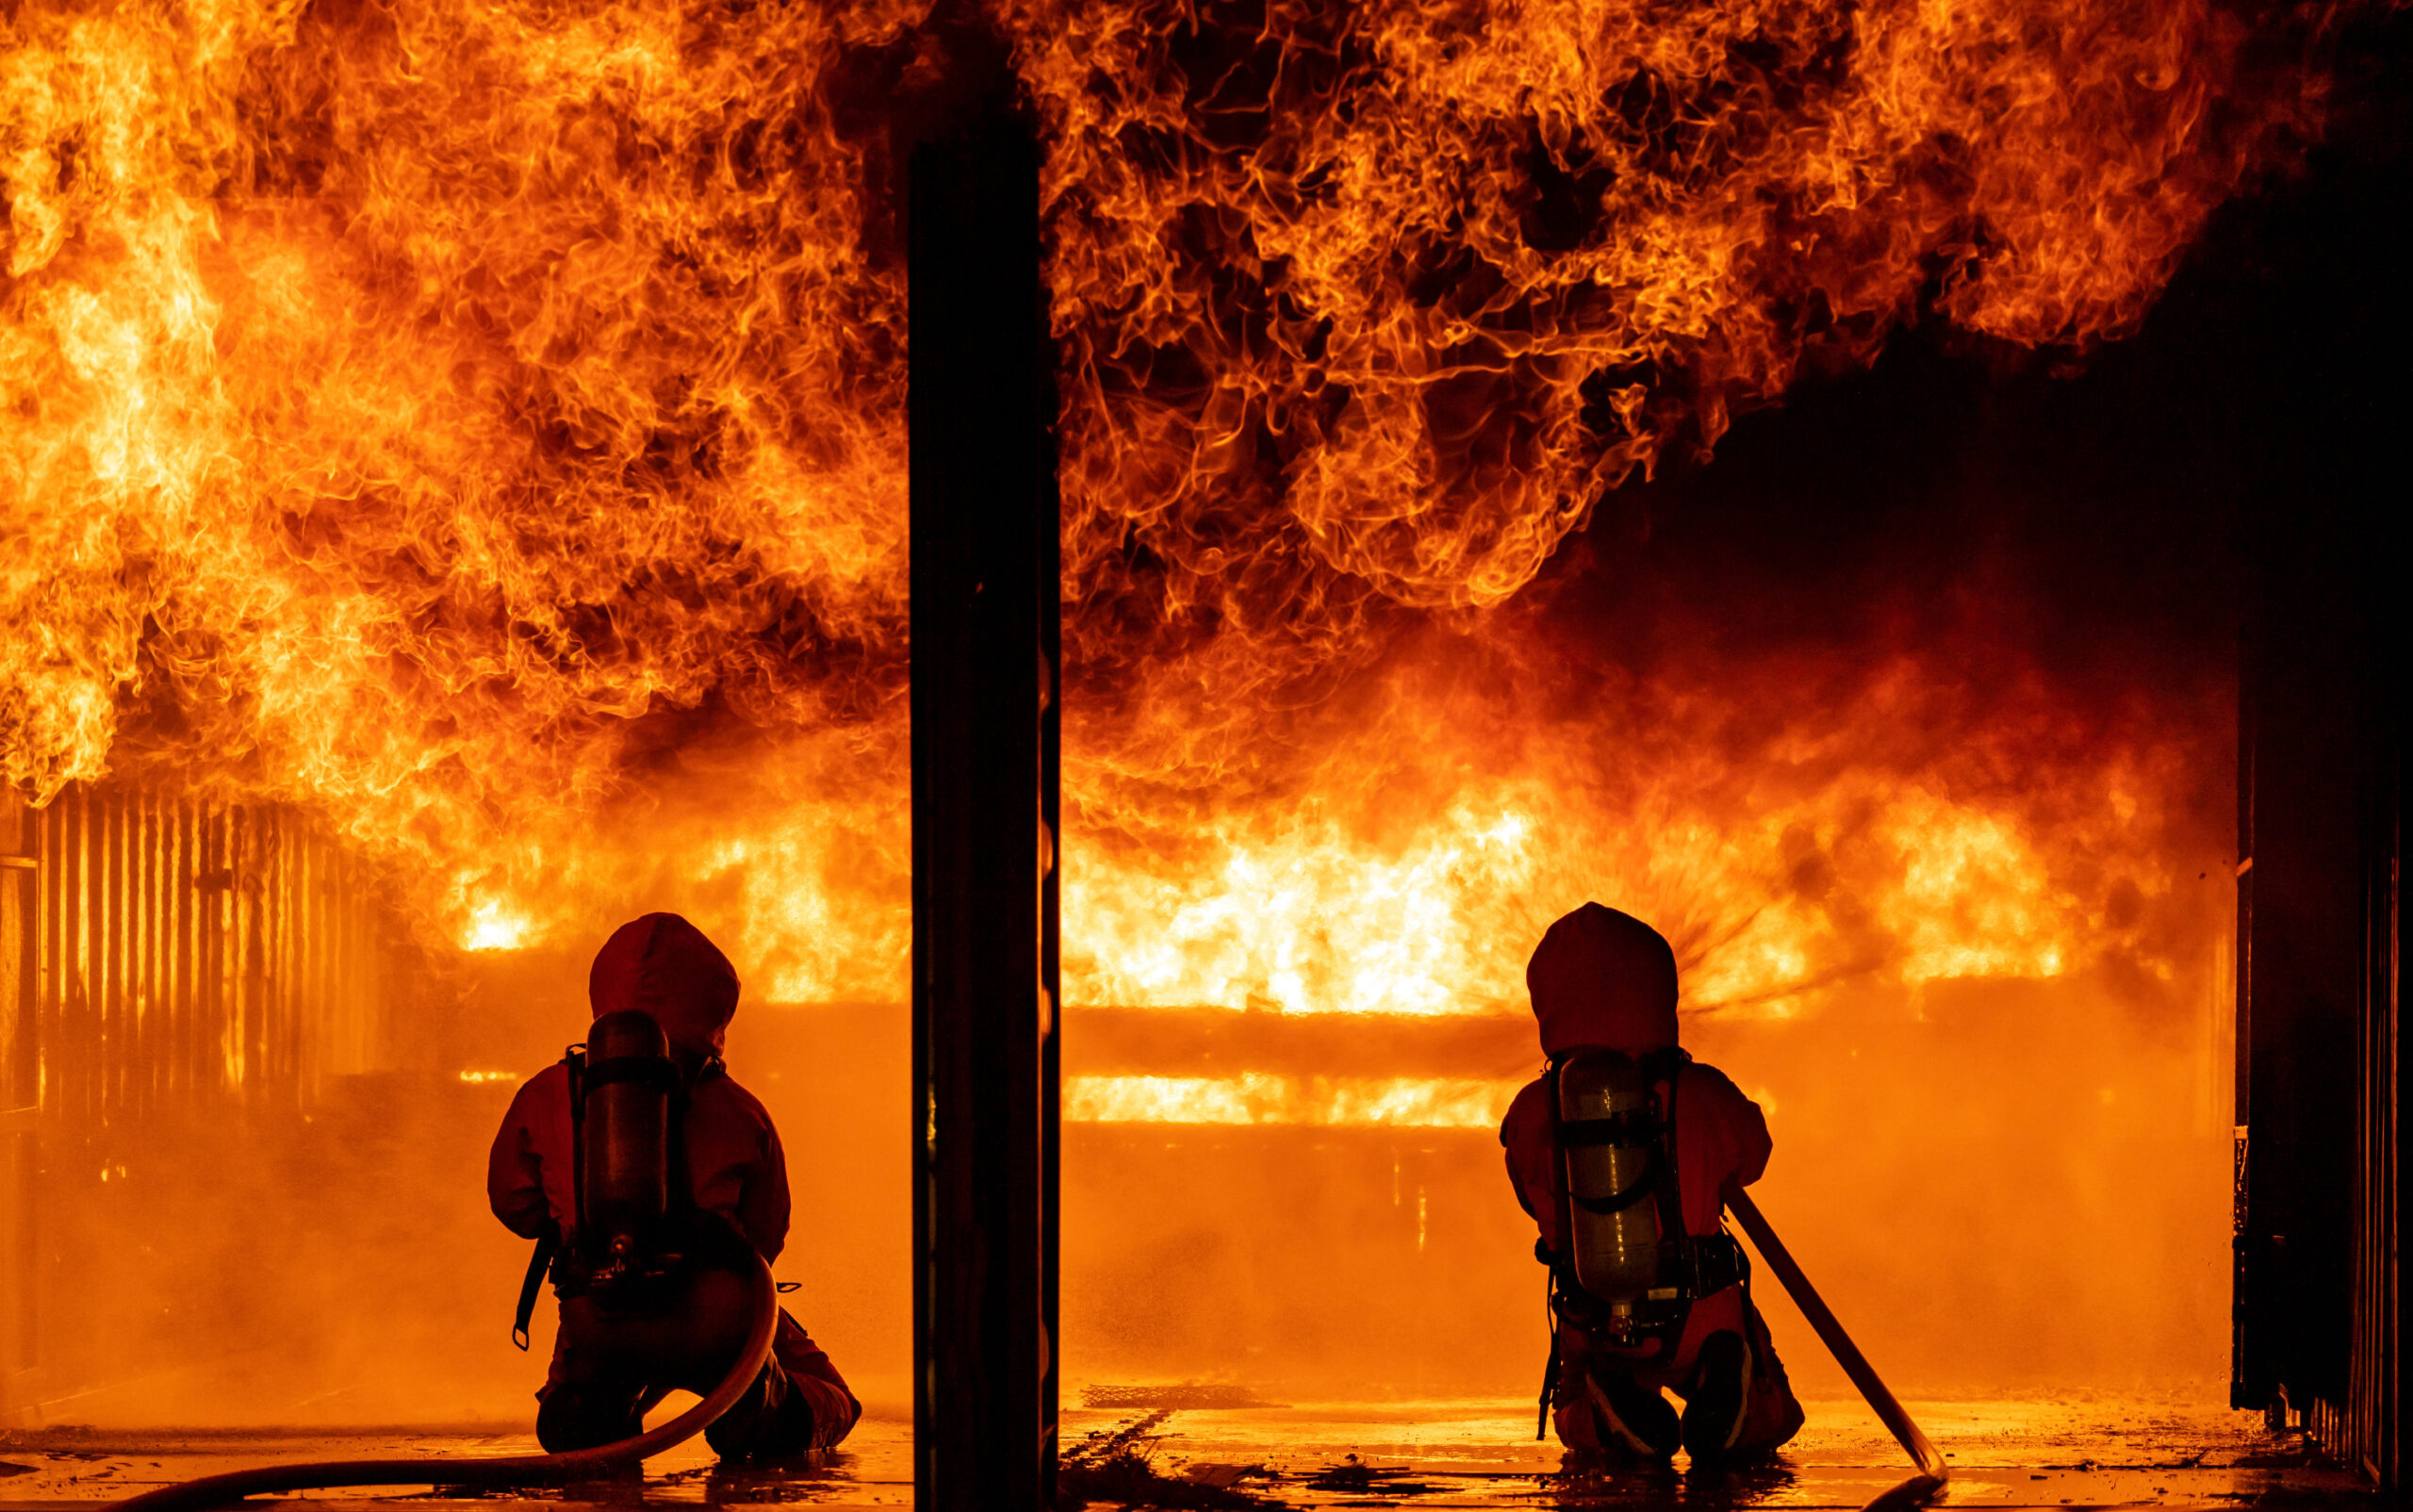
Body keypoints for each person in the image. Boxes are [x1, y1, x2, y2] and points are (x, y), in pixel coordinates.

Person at [487, 912, 861, 1459]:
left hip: (598, 1321)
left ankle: (586, 1416)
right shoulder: (740, 1110)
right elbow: (766, 1235)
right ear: (713, 1005)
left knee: (587, 1397)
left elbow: (513, 1207)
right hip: (718, 1324)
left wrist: (585, 1223)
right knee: (830, 1393)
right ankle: (757, 1412)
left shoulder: (548, 1093)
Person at [1500, 903, 1803, 1461]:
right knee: (1773, 1405)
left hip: (1594, 1316)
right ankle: (1728, 1376)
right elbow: (1753, 1157)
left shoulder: (1532, 1112)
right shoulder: (1703, 1092)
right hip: (1704, 1307)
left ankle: (1604, 1404)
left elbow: (1531, 1194)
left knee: (1578, 1410)